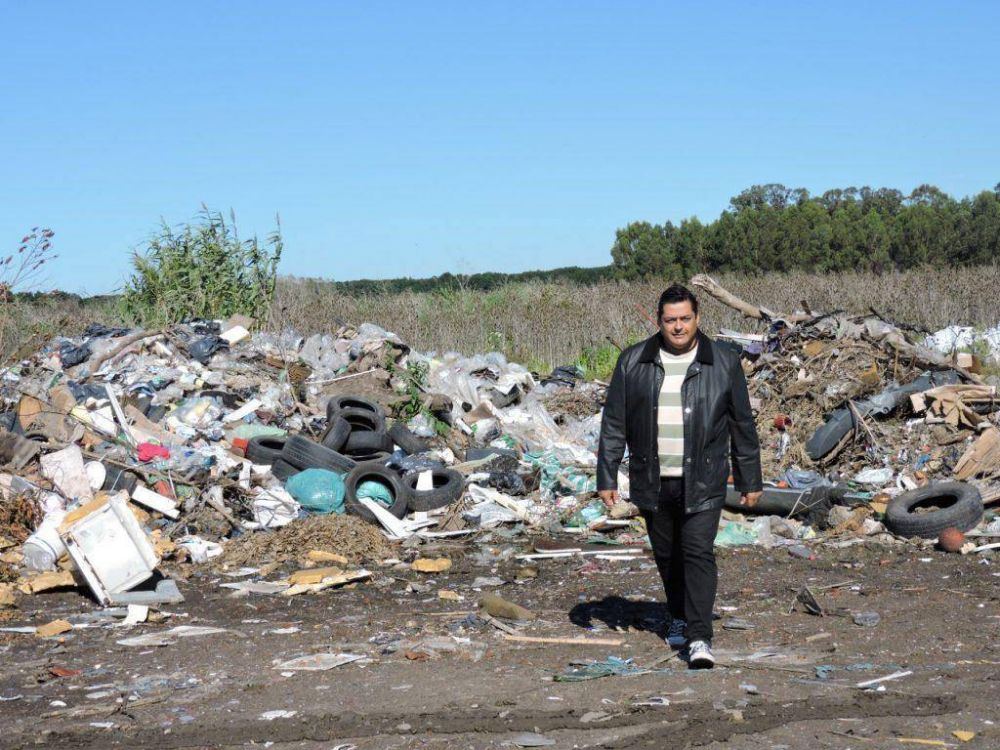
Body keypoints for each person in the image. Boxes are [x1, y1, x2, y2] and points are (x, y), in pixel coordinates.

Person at [597, 283, 762, 668]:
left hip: (704, 478)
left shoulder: (722, 362)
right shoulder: (633, 361)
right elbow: (614, 423)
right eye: (670, 320)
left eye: (685, 318)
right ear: (659, 321)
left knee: (698, 553)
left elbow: (742, 424)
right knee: (668, 556)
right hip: (653, 479)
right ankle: (677, 614)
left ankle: (700, 637)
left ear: (698, 318)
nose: (678, 327)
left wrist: (749, 479)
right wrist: (606, 476)